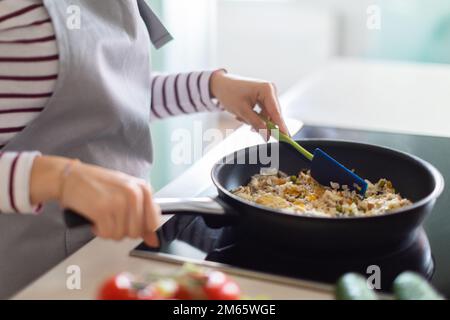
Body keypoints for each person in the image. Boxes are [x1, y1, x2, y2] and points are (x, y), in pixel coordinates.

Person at [0, 0, 288, 297]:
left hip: (119, 248)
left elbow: (109, 96)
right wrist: (59, 179)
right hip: (29, 273)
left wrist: (211, 87)